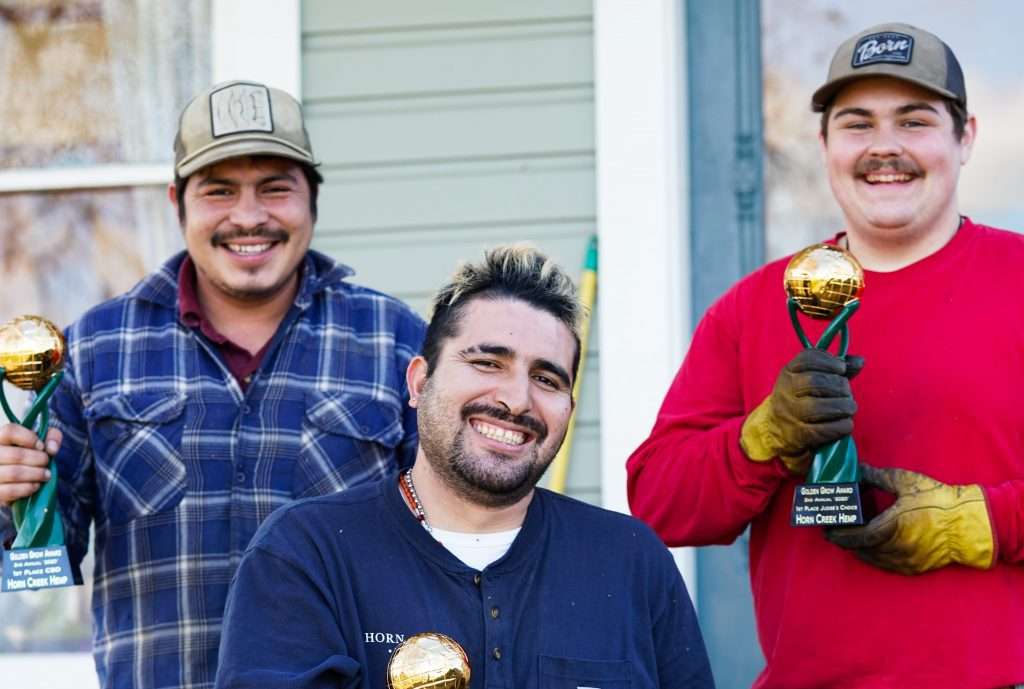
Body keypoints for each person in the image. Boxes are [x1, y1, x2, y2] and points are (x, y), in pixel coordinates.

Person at [627, 22, 1024, 689]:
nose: (885, 147)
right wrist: (760, 439)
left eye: (915, 120)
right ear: (824, 145)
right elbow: (659, 499)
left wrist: (981, 521)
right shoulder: (754, 308)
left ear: (967, 138)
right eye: (857, 124)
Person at [0, 80, 425, 689]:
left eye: (275, 188)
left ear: (313, 201)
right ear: (178, 203)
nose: (248, 216)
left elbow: (447, 548)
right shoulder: (94, 352)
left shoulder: (399, 345)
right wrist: (12, 503)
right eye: (219, 191)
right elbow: (42, 569)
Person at [214, 246, 714, 689]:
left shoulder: (631, 562)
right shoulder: (308, 553)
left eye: (546, 378)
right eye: (487, 363)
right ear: (418, 382)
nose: (517, 400)